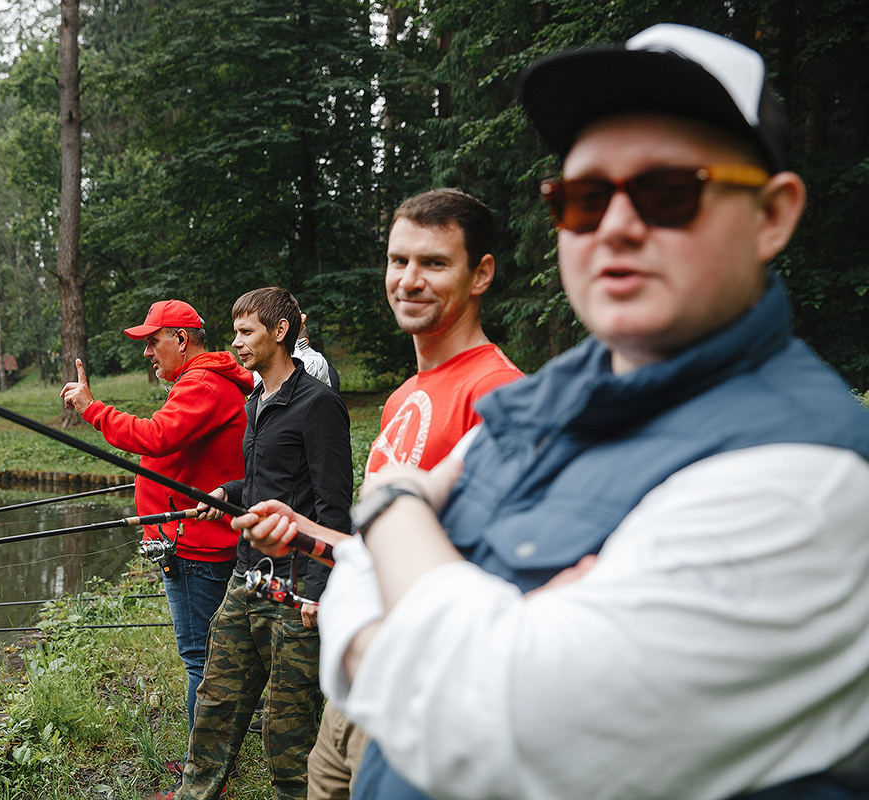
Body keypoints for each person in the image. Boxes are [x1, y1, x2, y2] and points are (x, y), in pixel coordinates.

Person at [319, 23, 869, 800]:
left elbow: (484, 725)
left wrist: (395, 507)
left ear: (772, 216)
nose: (616, 224)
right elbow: (367, 589)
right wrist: (447, 636)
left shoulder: (809, 477)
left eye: (670, 191)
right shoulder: (549, 399)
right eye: (582, 197)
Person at [233, 187, 523, 800]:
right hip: (356, 683)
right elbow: (381, 545)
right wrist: (303, 531)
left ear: (481, 275)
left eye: (435, 263)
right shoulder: (400, 397)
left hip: (418, 688)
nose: (410, 280)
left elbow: (494, 575)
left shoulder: (499, 395)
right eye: (399, 261)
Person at [151, 286, 354, 800]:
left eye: (247, 332)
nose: (236, 343)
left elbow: (333, 507)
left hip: (295, 589)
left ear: (279, 332)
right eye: (235, 331)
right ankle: (195, 793)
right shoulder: (253, 400)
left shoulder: (318, 405)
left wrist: (319, 592)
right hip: (247, 579)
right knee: (216, 704)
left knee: (287, 732)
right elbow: (264, 483)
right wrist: (228, 493)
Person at [60, 298, 254, 757]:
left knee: (199, 662)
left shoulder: (203, 383)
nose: (147, 353)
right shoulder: (206, 379)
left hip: (196, 547)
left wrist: (93, 409)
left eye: (153, 341)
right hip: (195, 540)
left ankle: (202, 769)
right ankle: (217, 754)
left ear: (180, 339)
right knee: (213, 656)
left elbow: (156, 436)